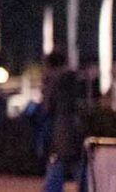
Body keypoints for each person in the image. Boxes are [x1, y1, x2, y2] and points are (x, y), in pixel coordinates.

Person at [40, 52, 87, 192]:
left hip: (60, 126)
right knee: (78, 161)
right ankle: (87, 187)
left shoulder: (52, 79)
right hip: (76, 124)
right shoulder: (74, 77)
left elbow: (47, 106)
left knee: (57, 160)